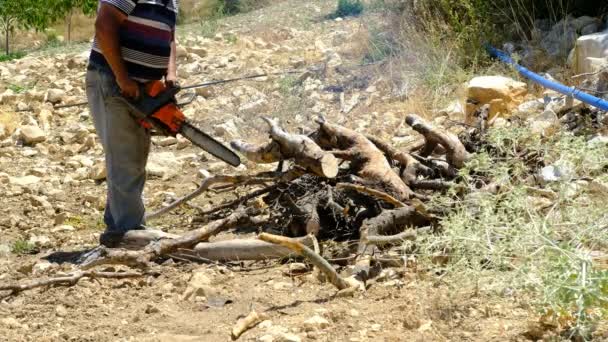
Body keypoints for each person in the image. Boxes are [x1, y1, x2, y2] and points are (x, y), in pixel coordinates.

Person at [86, 0, 179, 247]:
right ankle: (127, 231)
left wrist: (170, 75)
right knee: (124, 156)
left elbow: (169, 39)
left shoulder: (170, 2)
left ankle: (117, 226)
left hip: (144, 88)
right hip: (112, 80)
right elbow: (104, 25)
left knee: (133, 155)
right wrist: (122, 77)